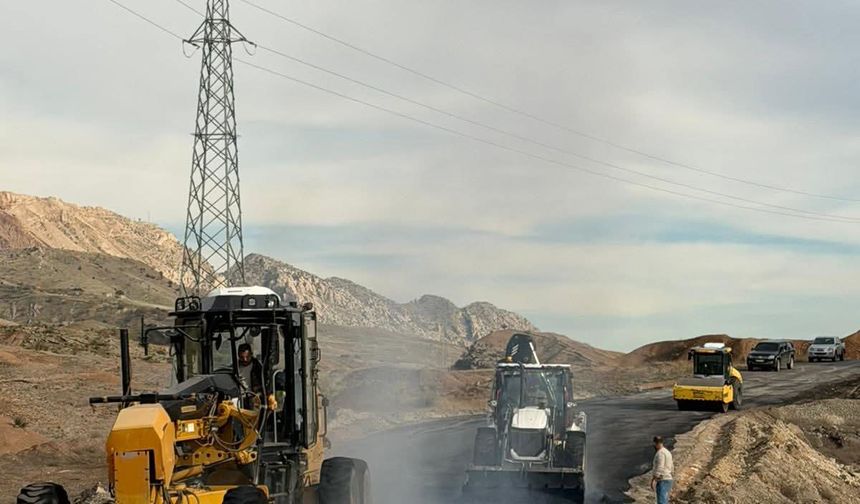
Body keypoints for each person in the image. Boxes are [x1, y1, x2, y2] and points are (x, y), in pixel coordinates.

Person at [651, 436, 674, 504]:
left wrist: (654, 480)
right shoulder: (667, 452)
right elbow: (672, 466)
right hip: (668, 479)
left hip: (663, 480)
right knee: (665, 500)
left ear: (656, 443)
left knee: (661, 501)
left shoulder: (660, 453)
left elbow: (660, 467)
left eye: (654, 444)